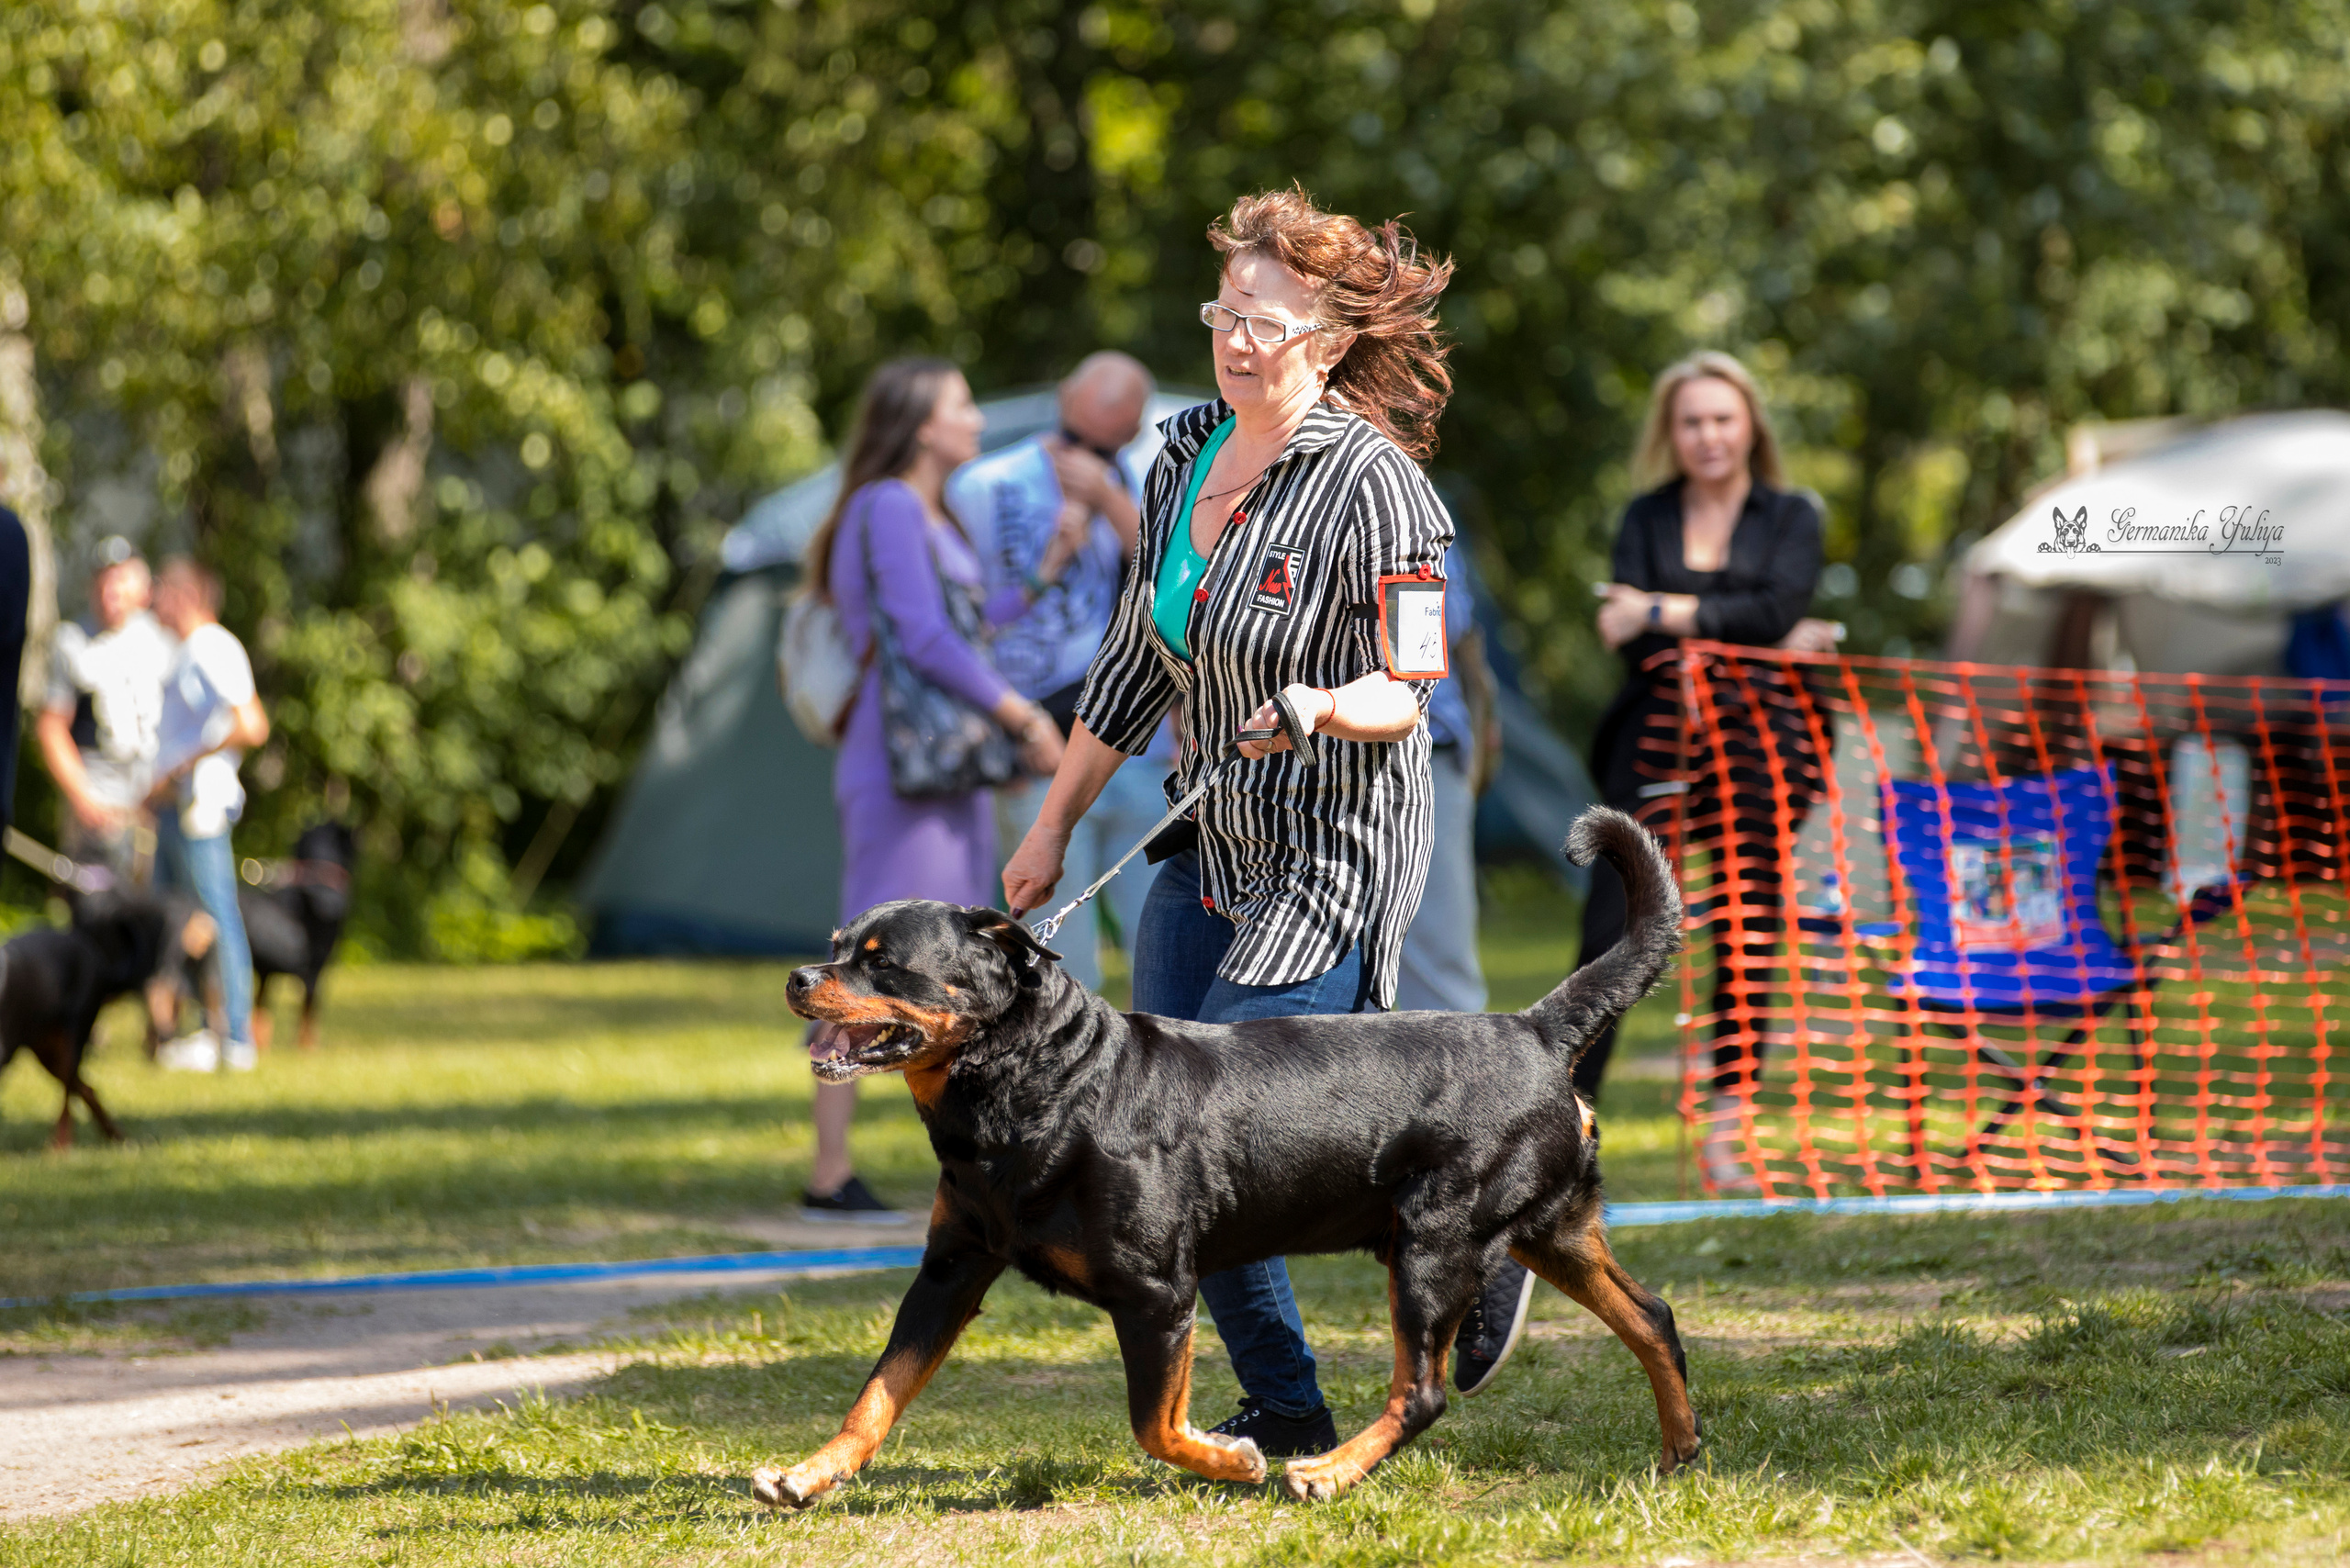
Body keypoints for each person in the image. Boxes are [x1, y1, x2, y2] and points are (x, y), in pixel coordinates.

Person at [1004, 187, 1456, 1457]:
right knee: (1152, 1142)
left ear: (1328, 333)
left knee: (1233, 1146)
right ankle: (1292, 1410)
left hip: (1332, 854)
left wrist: (1316, 703)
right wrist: (1049, 832)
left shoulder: (1380, 488)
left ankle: (1474, 1220)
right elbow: (1133, 665)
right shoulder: (1185, 449)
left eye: (1265, 320)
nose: (1238, 339)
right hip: (1205, 845)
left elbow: (1410, 684)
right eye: (1224, 314)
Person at [800, 356, 1066, 1220]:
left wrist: (1050, 563)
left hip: (943, 765)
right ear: (920, 422)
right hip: (897, 764)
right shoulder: (885, 507)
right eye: (962, 405)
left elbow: (967, 627)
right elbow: (919, 636)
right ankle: (830, 1173)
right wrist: (1022, 717)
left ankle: (963, 1166)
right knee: (864, 961)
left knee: (938, 964)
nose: (978, 422)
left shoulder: (930, 513)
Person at [1575, 351, 1825, 1190]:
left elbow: (1778, 605)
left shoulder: (1793, 514)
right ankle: (1563, 1124)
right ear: (1670, 434)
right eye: (1691, 421)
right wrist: (1748, 633)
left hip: (1760, 746)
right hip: (1652, 743)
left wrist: (1661, 607)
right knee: (1609, 929)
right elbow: (1637, 634)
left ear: (1751, 424)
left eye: (1723, 418)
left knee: (1751, 934)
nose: (1708, 435)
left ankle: (1728, 1133)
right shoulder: (1646, 516)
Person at [947, 353, 1176, 991]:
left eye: (1106, 443)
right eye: (1076, 436)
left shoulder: (1155, 480)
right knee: (1054, 952)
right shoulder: (985, 485)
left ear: (1132, 433)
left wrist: (1107, 498)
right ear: (1062, 404)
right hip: (1040, 746)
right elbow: (963, 625)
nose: (1082, 453)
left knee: (1161, 943)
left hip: (1145, 744)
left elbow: (1179, 588)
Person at [148, 557, 270, 1073]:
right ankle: (210, 1030)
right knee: (183, 920)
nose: (154, 600)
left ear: (186, 595)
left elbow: (251, 724)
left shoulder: (213, 646)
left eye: (161, 590)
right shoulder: (188, 651)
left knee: (216, 916)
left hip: (200, 806)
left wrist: (184, 763)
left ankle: (237, 1037)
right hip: (178, 807)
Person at [37, 541, 174, 882]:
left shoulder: (164, 642)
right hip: (98, 792)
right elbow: (52, 727)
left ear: (144, 590)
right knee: (95, 911)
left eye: (121, 581)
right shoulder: (73, 641)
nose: (111, 591)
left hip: (153, 798)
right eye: (104, 581)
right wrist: (82, 798)